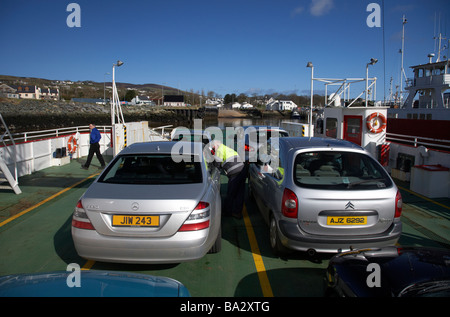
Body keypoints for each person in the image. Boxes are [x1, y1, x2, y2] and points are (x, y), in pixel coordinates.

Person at [210, 140, 248, 219]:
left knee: (231, 193)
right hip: (243, 170)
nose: (213, 149)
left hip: (235, 172)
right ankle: (237, 212)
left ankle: (227, 212)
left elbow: (216, 165)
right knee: (239, 193)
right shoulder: (227, 148)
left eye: (213, 148)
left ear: (216, 145)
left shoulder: (219, 150)